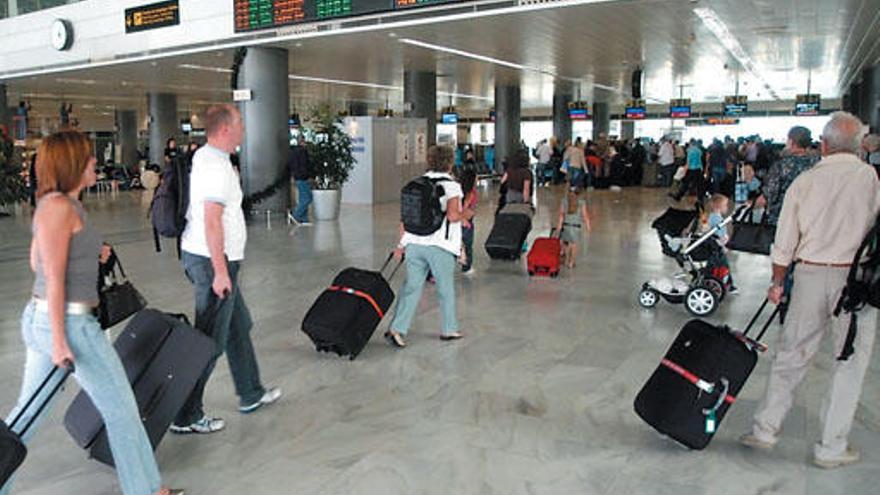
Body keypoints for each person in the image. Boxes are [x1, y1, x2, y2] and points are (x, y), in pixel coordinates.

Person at [1, 131, 182, 495]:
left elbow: (39, 259)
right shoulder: (59, 208)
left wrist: (91, 253)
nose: (95, 163)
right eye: (88, 158)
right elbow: (51, 275)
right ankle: (147, 491)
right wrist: (59, 339)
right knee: (121, 411)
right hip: (69, 326)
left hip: (54, 320)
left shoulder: (59, 205)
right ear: (72, 165)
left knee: (26, 415)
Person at [740, 112, 880, 469]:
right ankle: (831, 447)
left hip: (809, 276)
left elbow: (785, 239)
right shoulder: (870, 179)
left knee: (792, 353)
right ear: (861, 146)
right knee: (849, 362)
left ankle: (766, 429)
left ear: (824, 145)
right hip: (857, 282)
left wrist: (776, 281)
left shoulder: (806, 181)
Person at [171, 104, 281, 435]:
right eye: (240, 126)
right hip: (212, 263)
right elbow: (211, 221)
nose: (244, 131)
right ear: (224, 130)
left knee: (238, 327)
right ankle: (185, 415)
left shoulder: (212, 159)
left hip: (217, 261)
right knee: (210, 341)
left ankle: (250, 392)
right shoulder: (215, 167)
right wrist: (220, 272)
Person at [385, 145, 467, 348]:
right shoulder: (451, 186)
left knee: (411, 288)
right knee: (445, 289)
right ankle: (449, 329)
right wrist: (469, 214)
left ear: (429, 161)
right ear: (450, 163)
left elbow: (405, 218)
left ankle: (396, 328)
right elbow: (453, 216)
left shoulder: (415, 184)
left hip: (414, 244)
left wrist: (401, 245)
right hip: (440, 246)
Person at [755, 126, 820, 225]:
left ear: (791, 142)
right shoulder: (818, 163)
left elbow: (770, 194)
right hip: (811, 220)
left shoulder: (781, 166)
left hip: (783, 221)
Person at [705, 193, 737, 293]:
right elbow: (719, 234)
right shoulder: (717, 218)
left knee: (713, 266)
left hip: (715, 246)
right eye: (725, 205)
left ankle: (714, 283)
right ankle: (728, 285)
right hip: (718, 247)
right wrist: (724, 244)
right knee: (723, 266)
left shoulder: (713, 216)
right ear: (718, 207)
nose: (727, 208)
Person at [556, 187, 592, 269]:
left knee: (565, 242)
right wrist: (588, 226)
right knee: (573, 245)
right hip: (575, 227)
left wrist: (559, 225)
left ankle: (562, 254)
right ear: (578, 194)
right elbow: (585, 215)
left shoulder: (564, 201)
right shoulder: (581, 203)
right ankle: (571, 262)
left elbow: (561, 215)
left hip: (566, 225)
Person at [287, 135, 313, 225]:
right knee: (308, 198)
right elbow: (305, 165)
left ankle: (304, 219)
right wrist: (308, 175)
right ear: (302, 141)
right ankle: (296, 215)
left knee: (303, 198)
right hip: (303, 177)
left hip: (297, 177)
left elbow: (292, 165)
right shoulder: (302, 151)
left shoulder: (293, 151)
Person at [459, 169, 478, 275]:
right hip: (466, 221)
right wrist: (464, 219)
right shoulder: (471, 193)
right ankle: (467, 267)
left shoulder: (459, 189)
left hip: (460, 220)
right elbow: (465, 207)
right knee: (468, 244)